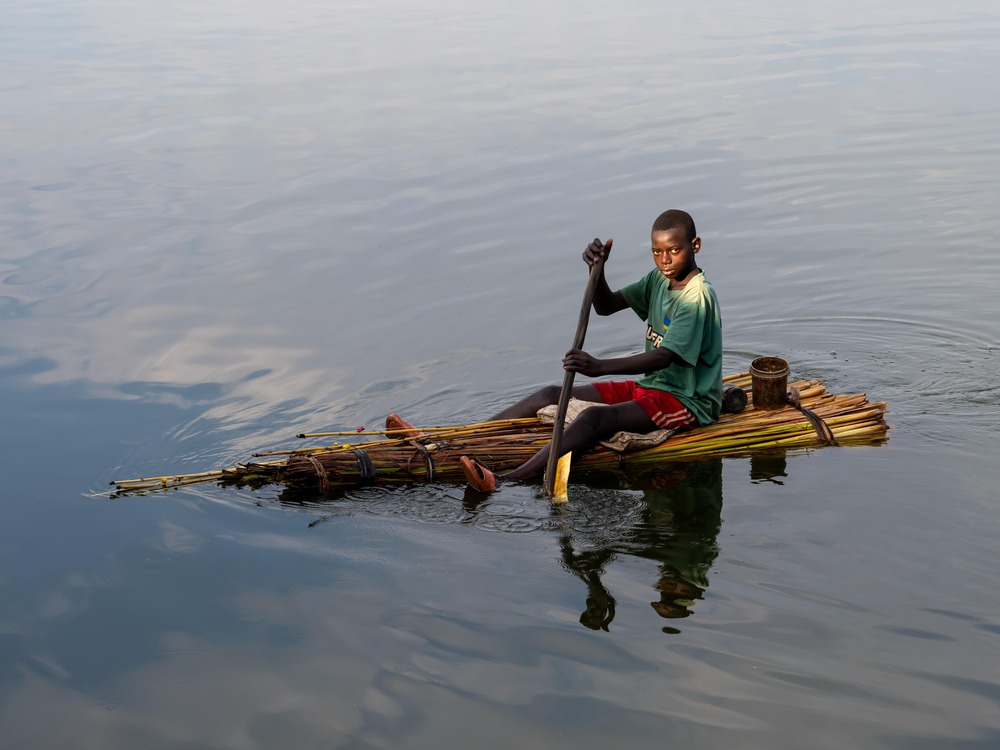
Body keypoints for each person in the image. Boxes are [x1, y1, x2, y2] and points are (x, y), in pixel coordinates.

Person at [390, 208, 722, 492]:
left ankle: (506, 481)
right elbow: (605, 306)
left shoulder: (696, 298)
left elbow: (667, 356)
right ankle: (456, 442)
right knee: (550, 392)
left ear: (695, 246)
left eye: (674, 251)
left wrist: (598, 366)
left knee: (594, 418)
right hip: (652, 387)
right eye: (656, 252)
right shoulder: (658, 280)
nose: (664, 260)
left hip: (685, 400)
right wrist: (597, 270)